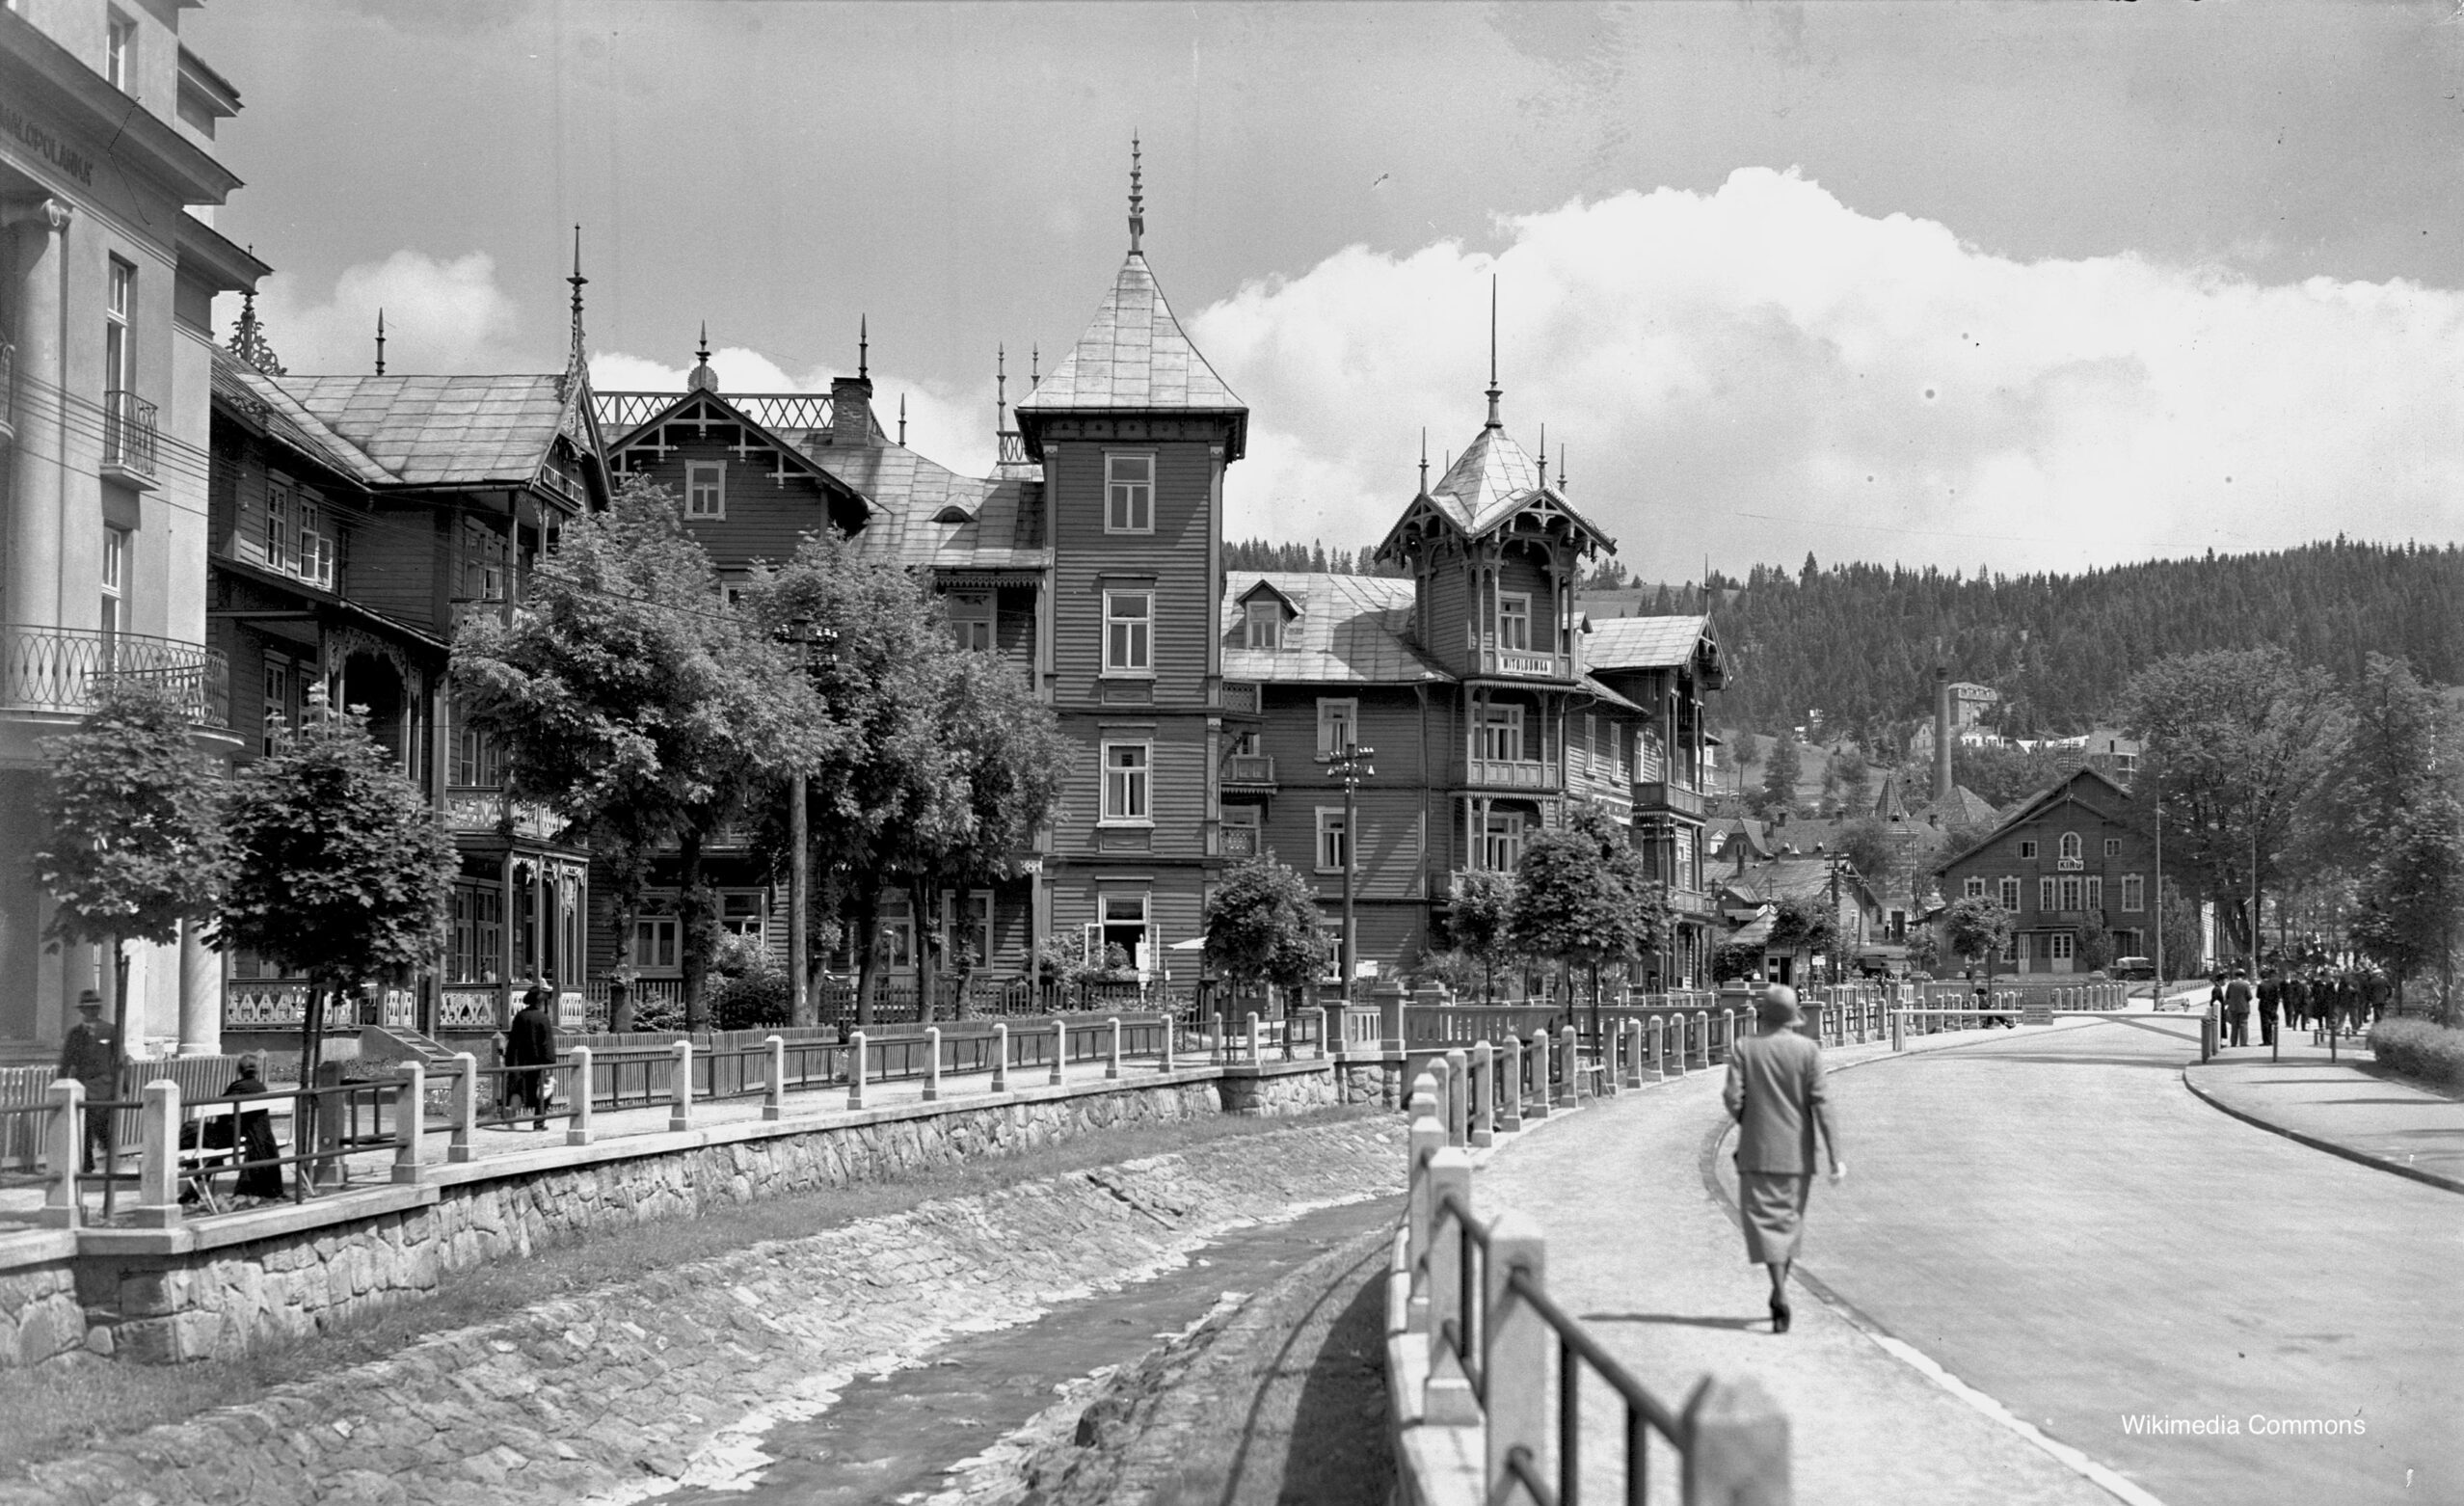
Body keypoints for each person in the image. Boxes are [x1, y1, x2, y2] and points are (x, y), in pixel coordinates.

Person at [1723, 983, 1845, 1335]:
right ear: (1793, 1018)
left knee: (1762, 1224)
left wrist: (1751, 1119)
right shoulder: (1808, 1051)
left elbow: (1732, 1097)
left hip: (1755, 1150)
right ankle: (1780, 1291)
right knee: (1789, 1224)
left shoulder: (1745, 1048)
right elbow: (1821, 1103)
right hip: (1796, 1154)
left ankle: (1777, 1290)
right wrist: (1835, 1156)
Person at [55, 991, 117, 1172]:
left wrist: (122, 1086)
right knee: (83, 1125)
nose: (92, 1012)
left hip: (104, 1087)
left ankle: (111, 1157)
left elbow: (120, 1059)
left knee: (101, 1124)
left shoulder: (110, 1030)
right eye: (88, 1009)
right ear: (82, 1011)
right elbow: (66, 1060)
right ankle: (87, 1163)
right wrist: (60, 1083)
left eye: (95, 1008)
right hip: (81, 1086)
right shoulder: (75, 1034)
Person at [222, 1058, 286, 1201]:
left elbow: (222, 1111)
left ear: (239, 1070)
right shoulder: (261, 1087)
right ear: (256, 1071)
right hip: (263, 1136)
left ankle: (192, 1190)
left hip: (241, 1135)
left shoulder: (237, 1087)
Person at [503, 984, 557, 1131]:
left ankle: (512, 1109)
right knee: (543, 1092)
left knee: (520, 1089)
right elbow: (546, 1043)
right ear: (540, 1001)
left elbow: (512, 1040)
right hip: (537, 1060)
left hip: (519, 1059)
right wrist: (550, 1062)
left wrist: (509, 1059)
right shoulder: (542, 1018)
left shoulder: (520, 1016)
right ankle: (538, 1123)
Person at [2224, 970, 2253, 1048]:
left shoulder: (2231, 984)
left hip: (2233, 1007)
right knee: (2243, 1025)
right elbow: (2250, 996)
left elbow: (2227, 996)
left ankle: (2233, 1042)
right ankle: (2243, 1042)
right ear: (2243, 976)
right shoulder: (2245, 984)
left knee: (2234, 1026)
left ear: (2235, 975)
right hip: (2243, 1008)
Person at [2256, 970, 2281, 1049]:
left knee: (2264, 1024)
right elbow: (2277, 997)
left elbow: (2258, 996)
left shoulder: (2261, 985)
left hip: (2263, 1006)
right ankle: (2271, 1040)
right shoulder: (2274, 985)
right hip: (2272, 1006)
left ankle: (2266, 1040)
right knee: (2271, 1023)